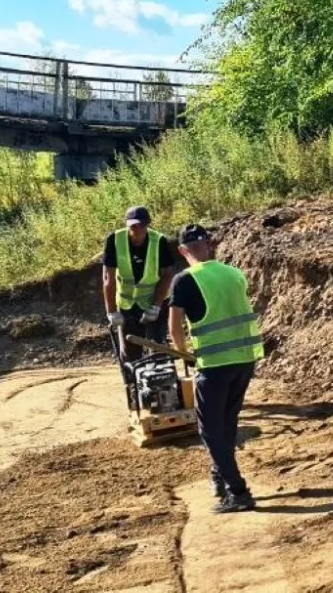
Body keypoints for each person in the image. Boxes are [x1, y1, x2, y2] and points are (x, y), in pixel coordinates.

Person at [168, 224, 264, 514]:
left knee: (210, 429)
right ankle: (219, 475)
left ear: (183, 251)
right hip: (245, 359)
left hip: (215, 365)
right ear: (208, 245)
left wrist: (184, 354)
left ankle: (238, 491)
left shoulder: (184, 280)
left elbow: (174, 328)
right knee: (227, 421)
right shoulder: (234, 274)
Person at [102, 206, 175, 362]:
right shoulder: (114, 240)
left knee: (157, 347)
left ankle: (162, 381)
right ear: (127, 225)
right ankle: (134, 382)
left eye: (142, 225)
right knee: (130, 352)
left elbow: (167, 275)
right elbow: (108, 277)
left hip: (154, 300)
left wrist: (155, 307)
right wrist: (112, 312)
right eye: (133, 226)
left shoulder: (159, 241)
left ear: (148, 224)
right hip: (127, 304)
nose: (138, 230)